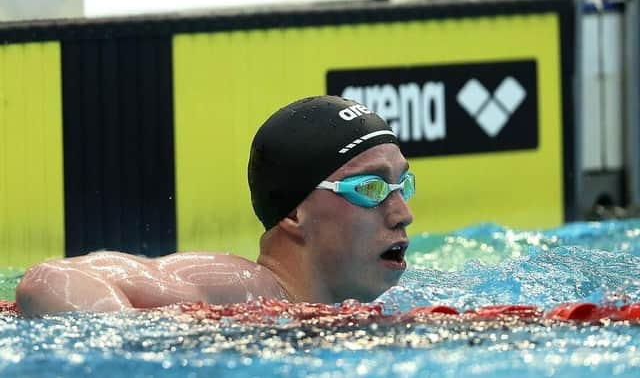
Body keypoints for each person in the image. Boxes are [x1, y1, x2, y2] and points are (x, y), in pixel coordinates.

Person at [15, 96, 414, 316]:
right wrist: (138, 344)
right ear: (294, 213)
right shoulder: (244, 288)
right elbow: (49, 281)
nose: (402, 213)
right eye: (372, 187)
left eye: (402, 185)